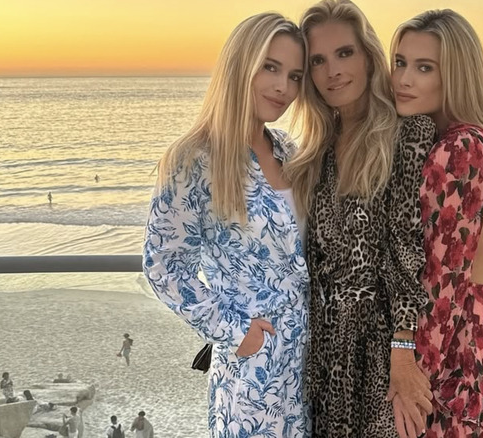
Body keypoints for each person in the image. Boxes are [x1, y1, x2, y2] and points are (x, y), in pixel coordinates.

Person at [142, 12, 309, 438]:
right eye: (270, 67)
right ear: (241, 64)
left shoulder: (288, 149)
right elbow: (163, 265)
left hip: (310, 365)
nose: (283, 88)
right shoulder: (194, 159)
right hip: (253, 377)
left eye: (294, 75)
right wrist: (234, 331)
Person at [284, 1, 436, 437]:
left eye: (344, 53)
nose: (333, 70)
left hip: (381, 349)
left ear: (368, 56)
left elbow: (408, 252)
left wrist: (404, 352)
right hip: (324, 350)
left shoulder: (407, 133)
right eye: (318, 60)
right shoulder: (318, 151)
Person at [390, 9, 483, 437]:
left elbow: (441, 280)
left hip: (454, 343)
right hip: (479, 331)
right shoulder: (474, 139)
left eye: (424, 67)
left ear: (456, 76)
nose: (404, 79)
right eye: (400, 62)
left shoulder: (461, 148)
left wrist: (407, 377)